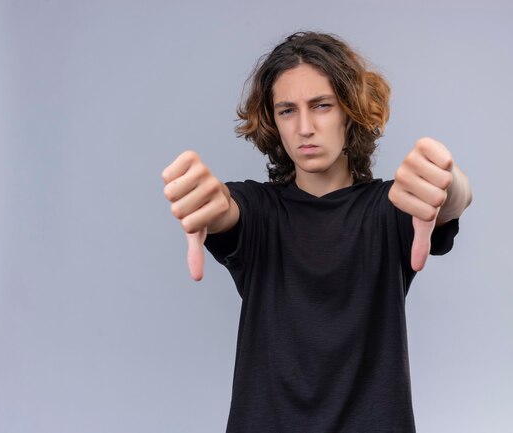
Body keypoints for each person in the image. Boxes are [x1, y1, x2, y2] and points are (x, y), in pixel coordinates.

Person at [162, 31, 472, 433]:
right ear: (273, 121)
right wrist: (207, 203)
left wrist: (448, 182)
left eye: (321, 105)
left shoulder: (390, 208)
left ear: (350, 110)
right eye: (287, 110)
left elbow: (451, 201)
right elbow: (226, 210)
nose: (304, 127)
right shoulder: (257, 210)